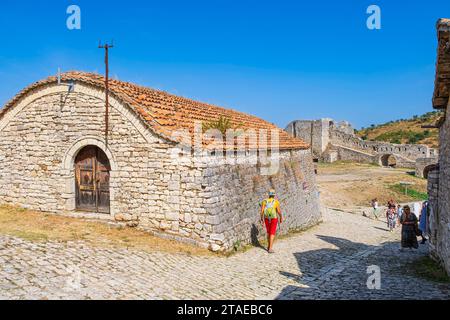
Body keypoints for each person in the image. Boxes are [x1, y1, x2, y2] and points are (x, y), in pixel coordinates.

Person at [260, 189, 283, 253]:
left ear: (269, 194)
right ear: (274, 195)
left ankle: (268, 246)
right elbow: (278, 211)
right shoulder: (276, 202)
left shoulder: (264, 201)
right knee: (272, 233)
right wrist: (281, 217)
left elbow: (261, 211)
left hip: (266, 218)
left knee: (268, 232)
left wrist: (261, 219)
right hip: (274, 218)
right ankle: (270, 248)